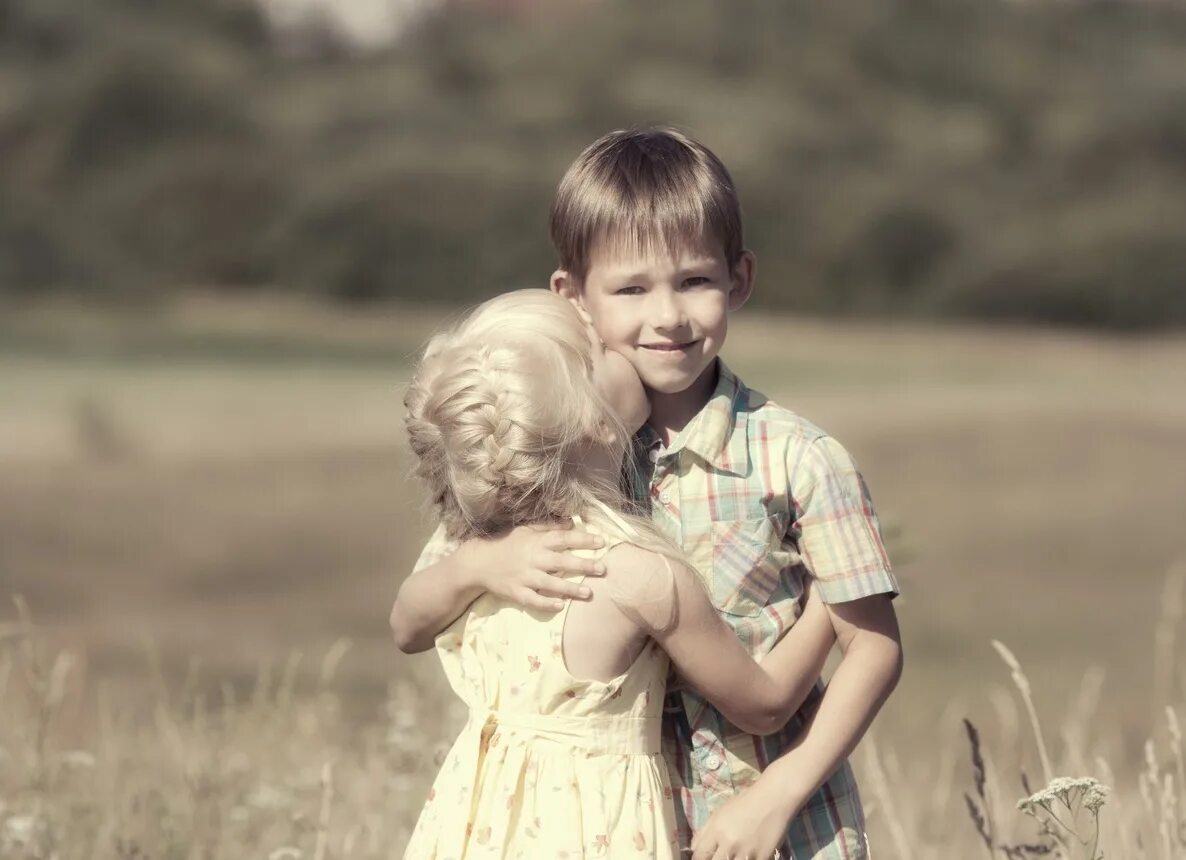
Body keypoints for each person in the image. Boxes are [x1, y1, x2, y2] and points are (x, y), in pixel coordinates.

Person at [393, 128, 904, 860]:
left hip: (768, 826)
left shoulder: (800, 460)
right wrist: (482, 565)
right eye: (631, 289)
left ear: (739, 280)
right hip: (608, 827)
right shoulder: (549, 449)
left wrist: (779, 794)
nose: (667, 316)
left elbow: (874, 649)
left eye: (694, 280)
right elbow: (411, 620)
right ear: (572, 297)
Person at [399, 289, 839, 860]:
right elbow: (764, 704)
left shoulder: (482, 542)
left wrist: (475, 564)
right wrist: (833, 594)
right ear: (596, 424)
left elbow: (405, 626)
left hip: (474, 830)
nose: (627, 348)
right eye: (603, 348)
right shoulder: (638, 573)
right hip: (592, 834)